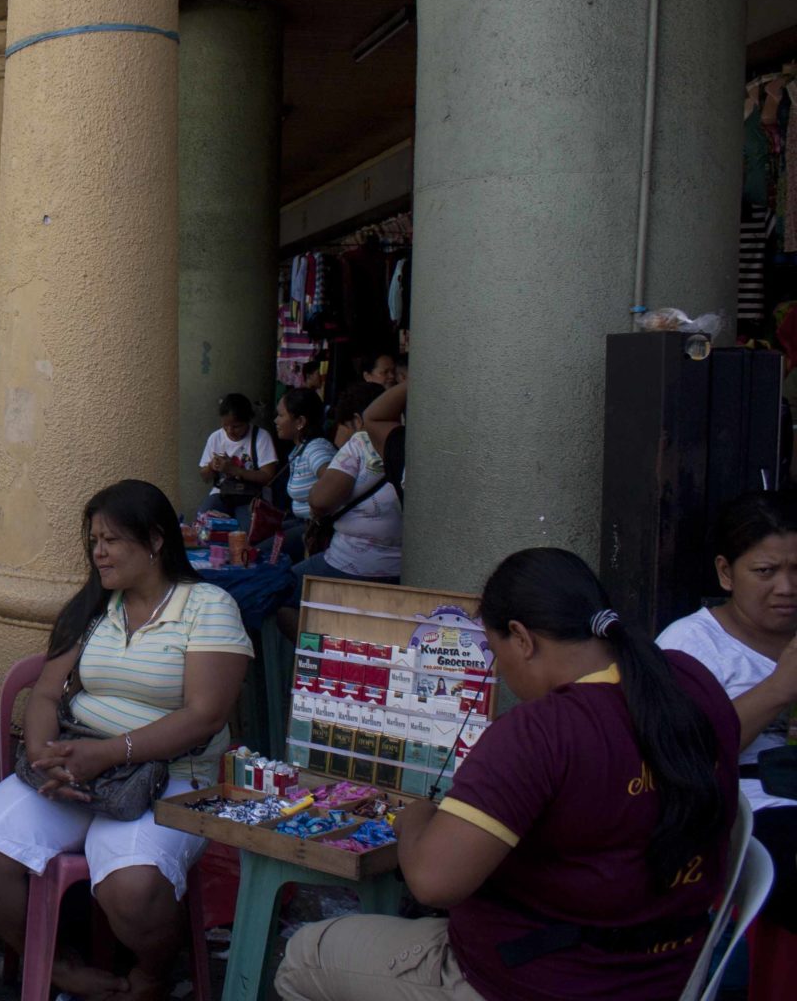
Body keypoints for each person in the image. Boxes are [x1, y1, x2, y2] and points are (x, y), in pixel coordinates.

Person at [277, 548, 739, 1001]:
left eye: (496, 654)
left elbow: (433, 882)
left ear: (521, 638)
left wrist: (415, 818)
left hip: (535, 979)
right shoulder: (691, 680)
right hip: (670, 973)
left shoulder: (540, 733)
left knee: (302, 956)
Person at [0, 480, 251, 1001]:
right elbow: (47, 696)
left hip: (173, 777)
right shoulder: (96, 607)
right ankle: (58, 969)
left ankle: (155, 972)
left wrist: (110, 754)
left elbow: (205, 715)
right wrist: (44, 757)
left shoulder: (207, 606)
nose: (98, 551)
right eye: (93, 539)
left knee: (134, 889)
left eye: (112, 539)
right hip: (80, 767)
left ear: (156, 541)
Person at [658, 490, 797, 931]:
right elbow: (682, 754)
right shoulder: (690, 645)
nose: (787, 588)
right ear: (726, 572)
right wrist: (778, 688)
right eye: (766, 571)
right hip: (754, 811)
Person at [295, 382, 401, 585]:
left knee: (280, 590)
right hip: (403, 570)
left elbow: (320, 501)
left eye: (342, 425)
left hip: (352, 565)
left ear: (357, 420)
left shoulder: (361, 442)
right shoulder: (407, 441)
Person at [198, 393, 280, 523]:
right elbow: (204, 476)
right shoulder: (216, 438)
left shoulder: (261, 437)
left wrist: (236, 470)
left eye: (236, 426)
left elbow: (268, 476)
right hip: (222, 494)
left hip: (252, 497)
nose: (230, 431)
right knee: (203, 524)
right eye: (225, 425)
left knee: (247, 532)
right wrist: (212, 467)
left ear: (247, 421)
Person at [273, 386, 335, 545]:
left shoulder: (316, 449)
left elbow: (333, 483)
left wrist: (317, 512)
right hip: (300, 522)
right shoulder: (301, 448)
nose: (276, 421)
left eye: (280, 415)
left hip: (314, 529)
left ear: (300, 421)